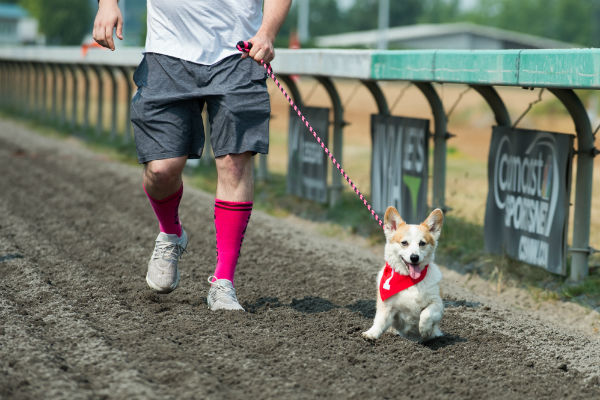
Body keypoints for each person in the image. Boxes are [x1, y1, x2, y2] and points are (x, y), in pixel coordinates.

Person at [92, 0, 291, 311]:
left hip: (239, 53)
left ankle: (223, 282)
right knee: (161, 170)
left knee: (235, 165)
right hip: (166, 53)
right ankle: (171, 234)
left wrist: (267, 32)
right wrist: (107, 4)